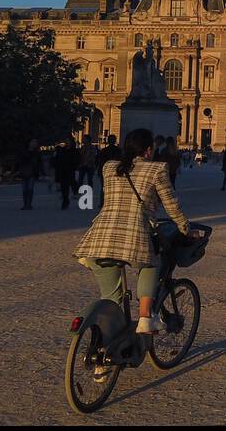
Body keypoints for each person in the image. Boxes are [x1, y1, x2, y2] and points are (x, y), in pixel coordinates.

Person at [74, 129, 198, 351]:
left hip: (99, 238)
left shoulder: (109, 167)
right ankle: (144, 317)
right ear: (149, 150)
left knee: (111, 298)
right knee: (152, 262)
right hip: (134, 236)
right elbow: (172, 206)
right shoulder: (157, 169)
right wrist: (186, 229)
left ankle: (103, 354)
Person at [95, 134, 122, 208]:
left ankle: (103, 203)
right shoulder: (118, 151)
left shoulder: (104, 150)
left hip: (105, 171)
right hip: (114, 171)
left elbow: (100, 162)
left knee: (104, 187)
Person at [54, 137, 80, 210]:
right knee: (64, 187)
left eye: (68, 141)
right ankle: (65, 200)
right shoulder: (62, 149)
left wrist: (74, 165)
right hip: (62, 170)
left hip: (70, 170)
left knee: (70, 183)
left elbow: (77, 160)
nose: (67, 142)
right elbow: (57, 159)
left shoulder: (74, 150)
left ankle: (67, 200)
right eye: (66, 141)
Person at [16, 139, 40, 210]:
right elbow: (19, 161)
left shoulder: (37, 152)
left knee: (30, 188)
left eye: (35, 142)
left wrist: (40, 172)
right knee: (24, 189)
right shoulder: (23, 151)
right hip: (24, 171)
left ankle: (28, 204)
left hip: (32, 172)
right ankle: (25, 204)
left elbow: (39, 163)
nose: (34, 144)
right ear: (29, 143)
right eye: (33, 142)